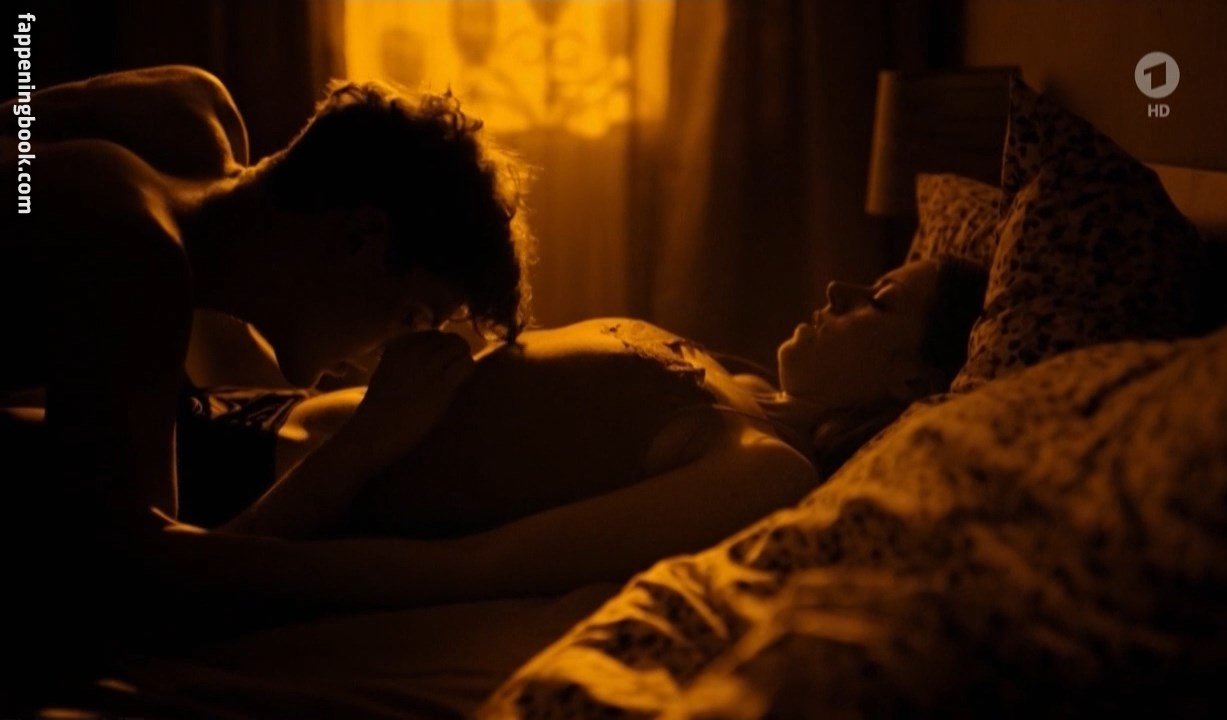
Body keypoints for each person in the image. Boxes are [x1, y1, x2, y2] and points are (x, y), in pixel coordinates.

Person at [0, 66, 532, 695]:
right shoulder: (136, 257)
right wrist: (362, 447)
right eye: (412, 318)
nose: (382, 357)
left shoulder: (193, 109)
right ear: (363, 239)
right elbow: (136, 593)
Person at [216, 255, 987, 599]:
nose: (838, 287)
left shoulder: (764, 469)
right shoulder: (743, 385)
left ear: (913, 383)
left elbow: (477, 567)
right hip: (258, 407)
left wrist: (222, 568)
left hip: (254, 483)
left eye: (879, 301)